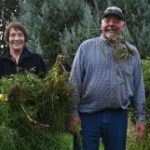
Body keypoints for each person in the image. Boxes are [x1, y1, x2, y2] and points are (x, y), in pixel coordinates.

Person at [68, 6, 146, 150]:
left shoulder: (131, 53)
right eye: (107, 20)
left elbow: (138, 86)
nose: (111, 24)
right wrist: (73, 113)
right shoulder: (86, 47)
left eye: (116, 21)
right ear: (101, 24)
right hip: (87, 116)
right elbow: (74, 82)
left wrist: (140, 118)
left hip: (117, 118)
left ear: (123, 26)